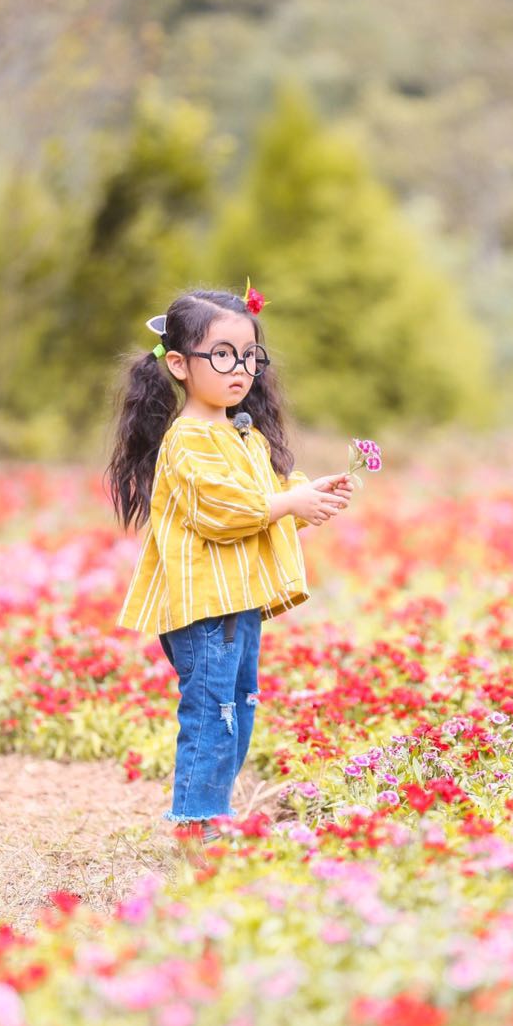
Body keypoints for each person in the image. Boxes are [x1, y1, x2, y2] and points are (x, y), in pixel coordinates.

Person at [105, 285, 354, 856]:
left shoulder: (237, 432)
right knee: (212, 713)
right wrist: (288, 505)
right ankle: (197, 825)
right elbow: (225, 513)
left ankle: (212, 813)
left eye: (248, 355)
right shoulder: (189, 441)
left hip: (233, 601)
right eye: (221, 355)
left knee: (237, 708)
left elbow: (259, 498)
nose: (239, 368)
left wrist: (304, 493)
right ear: (178, 365)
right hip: (203, 607)